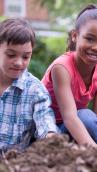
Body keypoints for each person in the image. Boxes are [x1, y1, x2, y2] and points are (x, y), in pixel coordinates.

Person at [42, 4, 97, 147]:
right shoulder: (62, 68)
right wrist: (96, 151)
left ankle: (80, 157)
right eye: (89, 39)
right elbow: (69, 117)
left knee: (88, 118)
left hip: (72, 128)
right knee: (84, 119)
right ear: (75, 36)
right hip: (45, 129)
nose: (96, 47)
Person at [0, 18, 59, 152]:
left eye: (25, 57)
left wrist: (51, 137)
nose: (19, 63)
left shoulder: (35, 90)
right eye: (11, 55)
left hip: (16, 163)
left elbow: (44, 119)